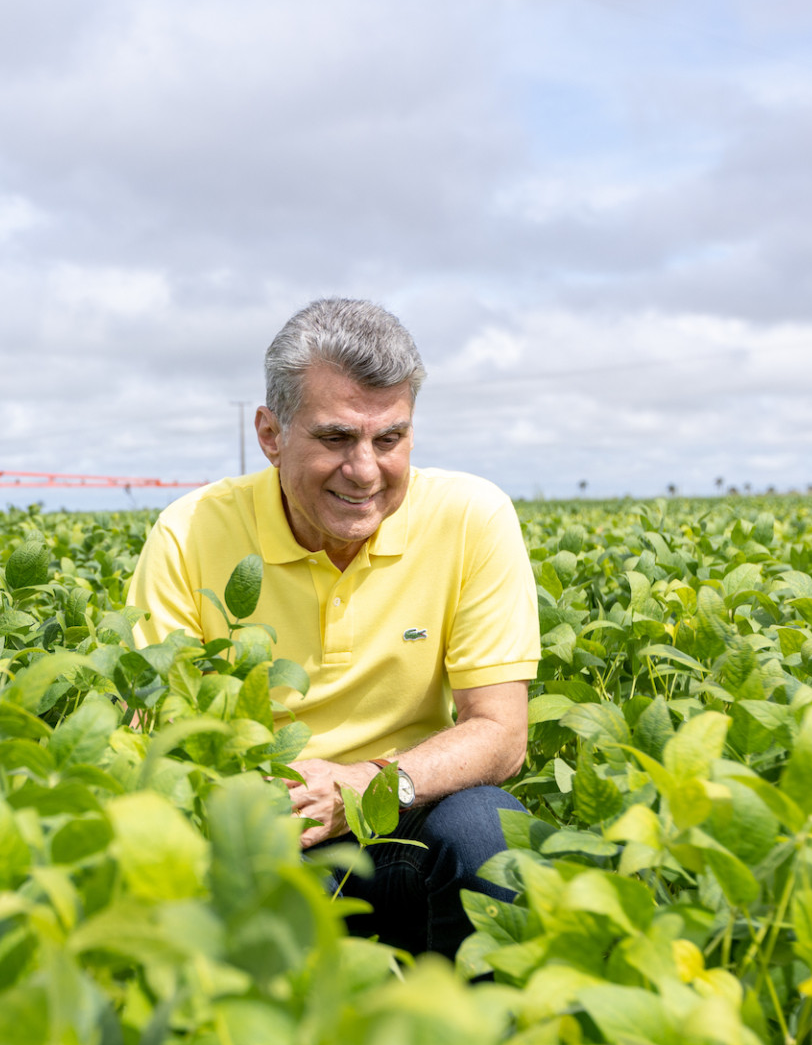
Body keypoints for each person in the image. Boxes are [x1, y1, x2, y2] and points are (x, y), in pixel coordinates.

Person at [126, 297, 537, 958]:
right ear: (271, 433)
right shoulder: (192, 531)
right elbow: (149, 739)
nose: (365, 469)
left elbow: (502, 734)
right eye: (336, 437)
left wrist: (365, 785)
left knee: (491, 835)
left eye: (389, 438)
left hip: (401, 820)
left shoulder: (471, 517)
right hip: (255, 838)